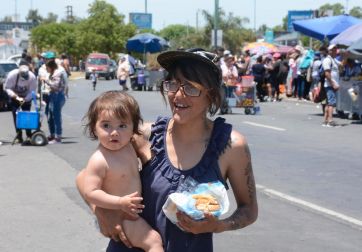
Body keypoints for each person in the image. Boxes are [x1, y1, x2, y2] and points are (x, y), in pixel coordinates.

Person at [76, 48, 258, 251]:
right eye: (173, 84)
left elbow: (249, 210)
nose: (178, 95)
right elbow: (84, 177)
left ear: (211, 94)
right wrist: (102, 212)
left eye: (190, 87)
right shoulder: (144, 136)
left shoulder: (231, 145)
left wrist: (219, 225)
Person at [82, 91, 164, 252]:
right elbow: (90, 192)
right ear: (94, 128)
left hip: (132, 211)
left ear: (133, 128)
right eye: (106, 125)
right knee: (154, 242)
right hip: (122, 215)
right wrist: (119, 202)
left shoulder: (127, 145)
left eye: (122, 126)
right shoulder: (99, 159)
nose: (114, 132)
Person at [4, 63, 37, 144]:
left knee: (27, 115)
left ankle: (29, 135)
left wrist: (25, 99)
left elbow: (32, 91)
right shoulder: (12, 75)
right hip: (15, 97)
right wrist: (16, 97)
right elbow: (7, 88)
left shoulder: (32, 77)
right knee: (16, 115)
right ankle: (19, 136)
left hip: (26, 97)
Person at [40, 59, 66, 143]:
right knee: (51, 116)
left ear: (51, 67)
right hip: (52, 95)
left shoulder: (57, 73)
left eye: (47, 68)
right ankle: (53, 135)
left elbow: (56, 86)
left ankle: (58, 137)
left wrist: (46, 80)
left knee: (56, 116)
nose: (46, 70)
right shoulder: (52, 73)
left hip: (57, 96)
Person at [322, 44, 341, 127]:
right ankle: (330, 121)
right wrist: (333, 84)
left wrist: (346, 56)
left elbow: (342, 65)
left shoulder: (334, 60)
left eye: (335, 49)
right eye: (333, 49)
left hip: (331, 85)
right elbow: (327, 73)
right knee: (331, 103)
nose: (334, 51)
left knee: (328, 103)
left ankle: (325, 121)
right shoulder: (327, 60)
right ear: (329, 51)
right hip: (330, 85)